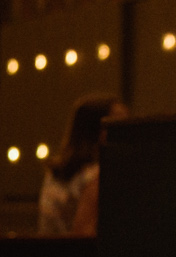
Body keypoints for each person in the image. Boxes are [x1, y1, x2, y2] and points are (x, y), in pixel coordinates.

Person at [39, 93, 126, 236]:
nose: (127, 131)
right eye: (118, 124)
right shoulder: (96, 177)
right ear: (98, 130)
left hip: (49, 249)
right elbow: (85, 235)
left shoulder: (57, 172)